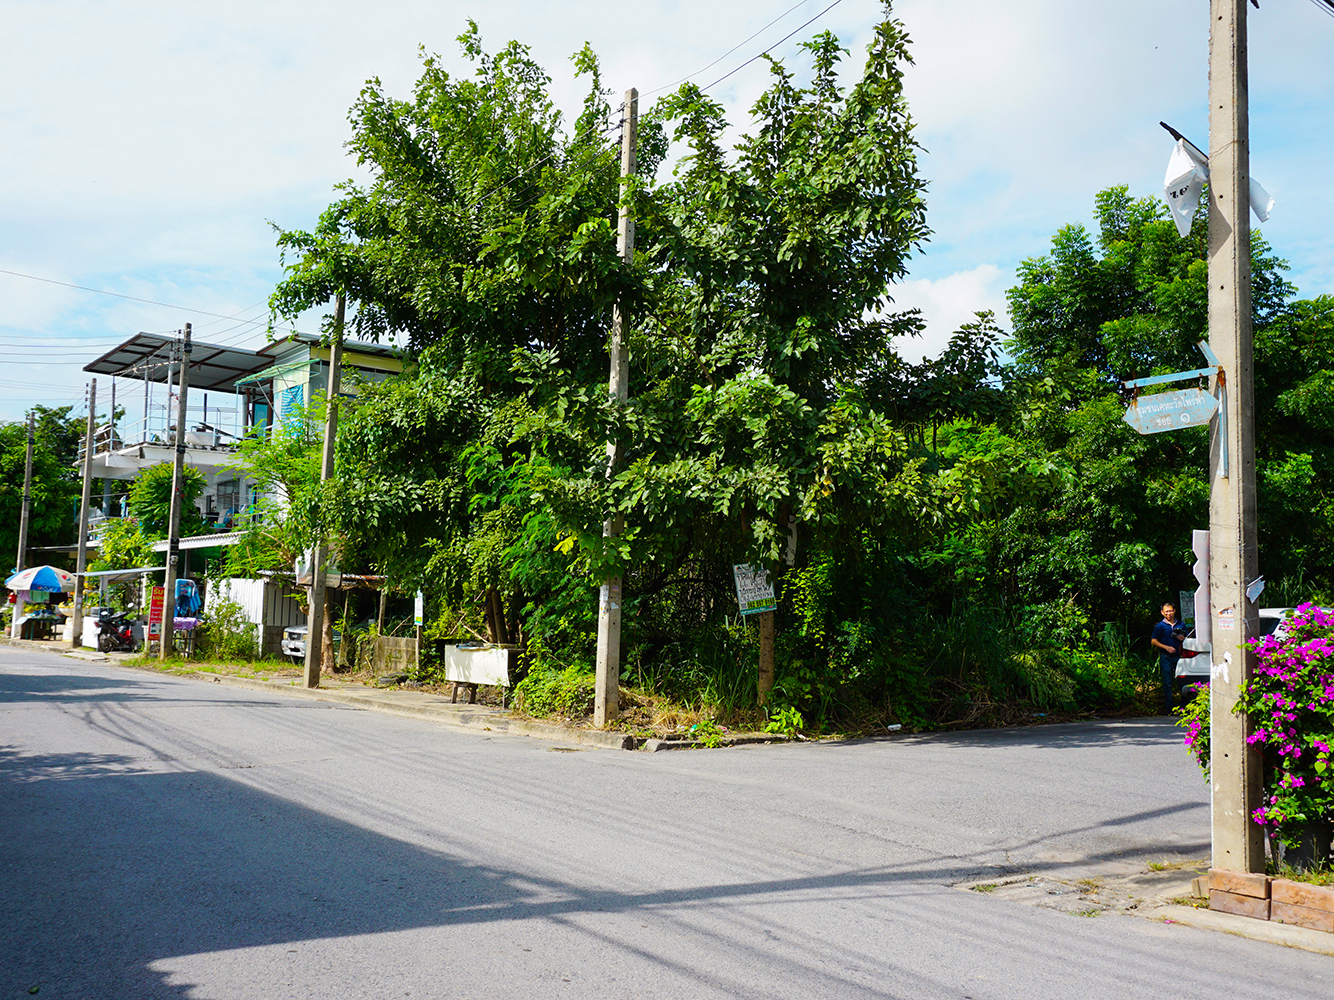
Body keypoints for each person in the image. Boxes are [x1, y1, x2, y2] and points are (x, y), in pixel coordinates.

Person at [1150, 602, 1183, 714]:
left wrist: (1183, 638)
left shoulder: (1181, 624)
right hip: (1166, 657)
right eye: (1166, 611)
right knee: (1167, 683)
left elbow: (1187, 637)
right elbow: (1153, 641)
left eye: (1171, 610)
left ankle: (1183, 708)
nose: (1169, 613)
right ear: (1162, 612)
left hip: (1180, 657)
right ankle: (1170, 709)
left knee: (1181, 683)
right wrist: (1166, 647)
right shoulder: (1160, 626)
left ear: (1174, 611)